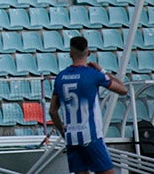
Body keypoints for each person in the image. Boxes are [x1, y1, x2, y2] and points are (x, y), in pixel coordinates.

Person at [48, 36, 127, 174]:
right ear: (88, 53)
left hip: (72, 138)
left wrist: (63, 132)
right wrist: (102, 71)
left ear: (70, 54)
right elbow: (123, 89)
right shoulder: (93, 75)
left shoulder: (60, 77)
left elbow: (53, 111)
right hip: (90, 136)